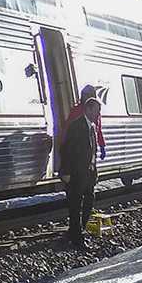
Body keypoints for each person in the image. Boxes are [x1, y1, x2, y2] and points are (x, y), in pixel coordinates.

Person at [58, 97, 103, 250]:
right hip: (76, 172)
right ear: (88, 109)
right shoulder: (76, 126)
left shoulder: (92, 127)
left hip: (88, 173)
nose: (98, 115)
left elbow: (93, 152)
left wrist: (94, 169)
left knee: (89, 202)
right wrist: (65, 171)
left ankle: (76, 231)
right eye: (97, 111)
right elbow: (66, 150)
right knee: (76, 205)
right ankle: (77, 238)